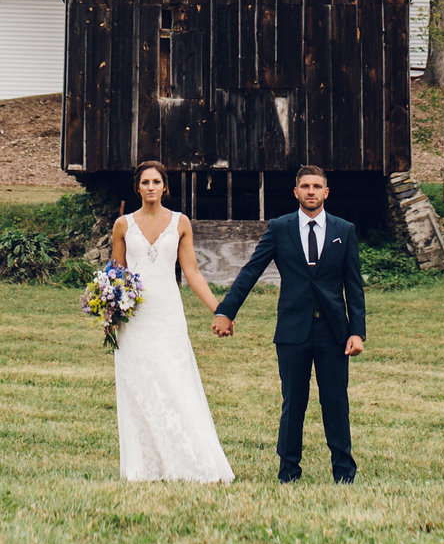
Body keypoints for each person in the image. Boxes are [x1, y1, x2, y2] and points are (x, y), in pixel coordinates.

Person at [212, 164, 365, 484]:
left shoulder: (344, 230)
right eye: (305, 186)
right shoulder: (280, 228)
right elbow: (252, 270)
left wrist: (357, 331)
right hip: (293, 331)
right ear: (296, 192)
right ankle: (289, 472)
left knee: (336, 402)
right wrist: (227, 311)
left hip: (334, 332)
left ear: (326, 192)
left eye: (317, 186)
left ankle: (344, 473)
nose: (311, 191)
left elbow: (354, 285)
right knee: (293, 402)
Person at [107, 161, 234, 483]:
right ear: (137, 187)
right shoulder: (123, 225)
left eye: (156, 182)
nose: (151, 187)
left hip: (167, 313)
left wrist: (220, 309)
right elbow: (115, 273)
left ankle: (192, 461)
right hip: (134, 315)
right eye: (145, 182)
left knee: (176, 380)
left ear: (166, 187)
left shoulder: (180, 223)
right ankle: (146, 466)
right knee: (139, 383)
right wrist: (109, 312)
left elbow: (191, 271)